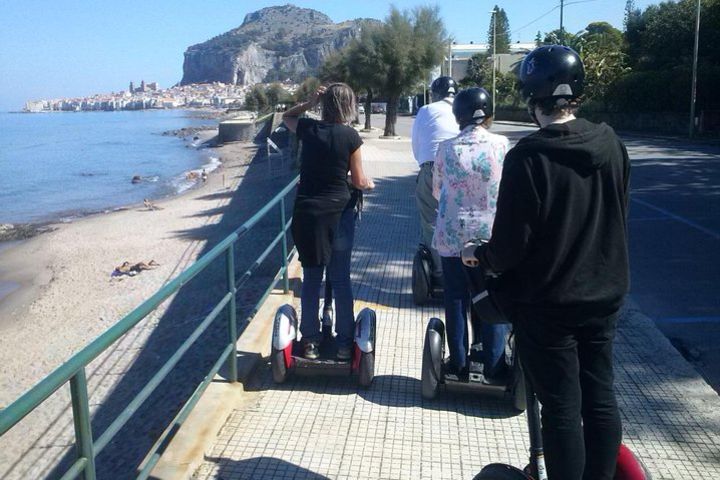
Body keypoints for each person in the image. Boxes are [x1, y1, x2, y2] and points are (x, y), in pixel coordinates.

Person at [463, 45, 630, 480]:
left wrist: (477, 254)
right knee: (599, 397)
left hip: (549, 303)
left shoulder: (530, 156)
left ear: (532, 98)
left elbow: (510, 246)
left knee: (560, 408)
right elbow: (618, 211)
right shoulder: (611, 143)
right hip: (605, 294)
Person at [283, 83, 374, 360]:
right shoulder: (350, 136)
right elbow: (358, 180)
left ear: (325, 104)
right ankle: (345, 344)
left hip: (308, 214)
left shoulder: (309, 129)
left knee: (311, 277)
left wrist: (310, 102)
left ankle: (310, 341)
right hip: (339, 214)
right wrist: (367, 184)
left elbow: (287, 116)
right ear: (349, 105)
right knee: (340, 277)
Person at [432, 87, 510, 381]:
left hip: (453, 235)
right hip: (491, 237)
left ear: (458, 116)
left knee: (455, 298)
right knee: (493, 296)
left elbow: (437, 190)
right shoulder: (503, 145)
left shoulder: (446, 148)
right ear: (489, 114)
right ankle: (494, 365)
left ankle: (459, 364)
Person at [411, 76, 459, 284]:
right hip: (462, 167)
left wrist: (423, 168)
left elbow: (417, 145)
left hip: (433, 167)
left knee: (431, 220)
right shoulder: (464, 107)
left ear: (435, 94)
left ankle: (440, 271)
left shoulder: (427, 110)